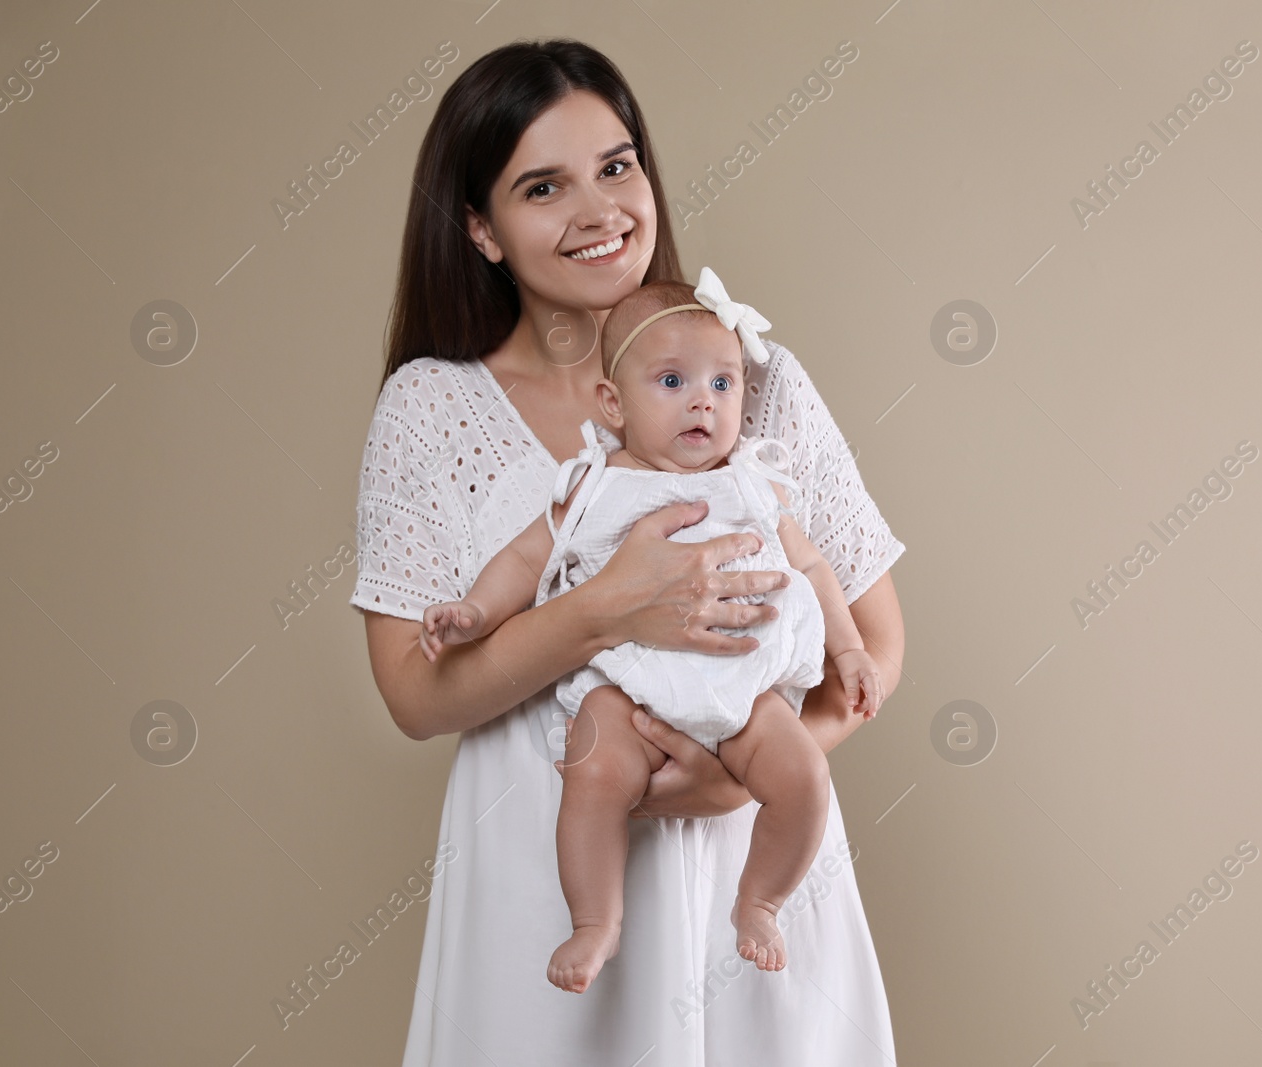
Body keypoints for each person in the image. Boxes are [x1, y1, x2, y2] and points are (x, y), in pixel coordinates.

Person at [351, 37, 907, 1065]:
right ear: (479, 227)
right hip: (545, 864)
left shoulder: (748, 375)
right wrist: (606, 607)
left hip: (757, 870)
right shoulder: (434, 407)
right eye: (542, 186)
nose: (601, 209)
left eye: (616, 165)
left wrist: (740, 779)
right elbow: (415, 694)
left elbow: (871, 639)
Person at [418, 268, 887, 994]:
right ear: (614, 402)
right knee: (594, 770)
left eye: (723, 383)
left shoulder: (753, 484)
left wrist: (850, 647)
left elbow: (815, 567)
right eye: (672, 381)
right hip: (628, 683)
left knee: (804, 774)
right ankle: (595, 919)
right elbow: (523, 557)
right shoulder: (596, 484)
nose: (704, 399)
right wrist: (476, 611)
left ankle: (759, 899)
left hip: (742, 682)